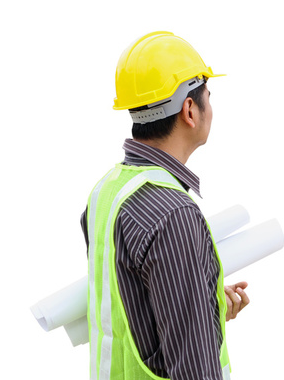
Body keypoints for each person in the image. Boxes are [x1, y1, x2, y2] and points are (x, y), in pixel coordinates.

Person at [80, 31, 248, 380]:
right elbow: (194, 370)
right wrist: (194, 307)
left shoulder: (108, 191)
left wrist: (205, 302)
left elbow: (134, 306)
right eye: (208, 97)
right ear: (190, 110)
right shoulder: (174, 214)